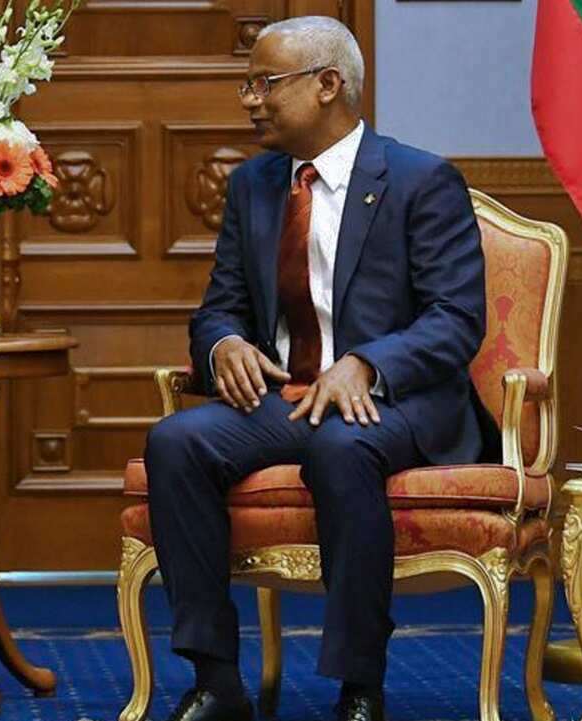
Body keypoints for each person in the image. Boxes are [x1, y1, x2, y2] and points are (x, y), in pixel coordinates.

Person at [143, 16, 495, 721]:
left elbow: (457, 319)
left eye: (265, 84)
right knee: (175, 441)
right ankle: (217, 681)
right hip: (288, 397)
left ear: (328, 85)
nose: (249, 100)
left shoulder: (422, 181)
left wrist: (367, 362)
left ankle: (358, 686)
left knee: (342, 446)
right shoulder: (254, 186)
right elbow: (218, 309)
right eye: (249, 84)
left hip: (393, 403)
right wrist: (224, 347)